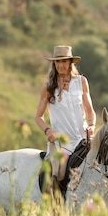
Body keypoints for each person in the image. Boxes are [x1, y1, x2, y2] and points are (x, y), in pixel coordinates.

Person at [35, 45, 96, 196]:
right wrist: (48, 131)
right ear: (54, 65)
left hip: (83, 140)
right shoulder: (48, 87)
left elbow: (90, 112)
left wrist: (92, 125)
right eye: (57, 62)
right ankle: (57, 205)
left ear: (70, 63)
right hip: (61, 143)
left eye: (64, 61)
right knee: (58, 174)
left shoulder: (81, 82)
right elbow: (38, 117)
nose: (61, 65)